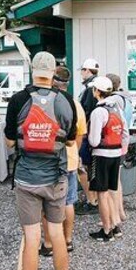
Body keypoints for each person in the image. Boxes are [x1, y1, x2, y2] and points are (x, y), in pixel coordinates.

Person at [3, 51, 76, 270]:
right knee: (56, 234)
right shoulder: (65, 100)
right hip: (55, 178)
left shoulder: (19, 100)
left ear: (32, 69)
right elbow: (69, 142)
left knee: (32, 238)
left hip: (27, 179)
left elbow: (10, 142)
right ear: (54, 71)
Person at [40, 66, 87, 256]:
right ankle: (67, 240)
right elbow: (80, 134)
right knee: (69, 201)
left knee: (47, 203)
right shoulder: (75, 105)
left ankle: (49, 242)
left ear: (53, 81)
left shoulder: (46, 103)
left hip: (49, 160)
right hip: (70, 159)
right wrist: (73, 152)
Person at [86, 76, 127, 243]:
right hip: (116, 154)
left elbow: (94, 140)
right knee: (111, 191)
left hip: (101, 156)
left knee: (101, 194)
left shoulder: (98, 112)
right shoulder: (117, 108)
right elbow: (124, 133)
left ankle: (106, 230)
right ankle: (115, 226)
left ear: (97, 91)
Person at [106, 73, 131, 234]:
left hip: (115, 142)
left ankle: (115, 215)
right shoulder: (125, 98)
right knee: (117, 180)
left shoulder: (113, 101)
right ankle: (120, 211)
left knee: (111, 183)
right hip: (123, 142)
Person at [75, 58, 100, 216]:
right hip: (92, 135)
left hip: (86, 134)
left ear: (88, 71)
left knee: (82, 166)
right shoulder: (96, 86)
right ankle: (94, 199)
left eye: (83, 70)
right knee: (89, 167)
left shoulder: (90, 89)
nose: (81, 73)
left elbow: (86, 113)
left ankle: (92, 201)